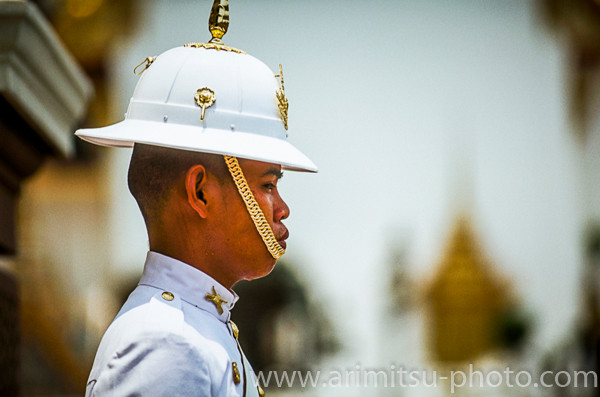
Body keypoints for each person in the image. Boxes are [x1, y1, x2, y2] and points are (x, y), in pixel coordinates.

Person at [76, 1, 317, 396]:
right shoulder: (168, 342)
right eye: (269, 185)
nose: (283, 207)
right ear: (201, 192)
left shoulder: (197, 326)